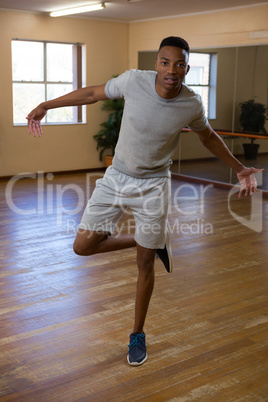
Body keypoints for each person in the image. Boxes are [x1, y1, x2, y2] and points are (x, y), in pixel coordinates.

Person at [27, 36, 263, 366]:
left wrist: (238, 169)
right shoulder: (133, 81)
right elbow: (93, 93)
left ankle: (137, 332)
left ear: (186, 68)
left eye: (178, 64)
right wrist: (46, 105)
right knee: (82, 246)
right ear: (156, 64)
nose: (171, 69)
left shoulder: (191, 104)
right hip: (116, 178)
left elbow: (208, 136)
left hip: (154, 186)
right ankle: (149, 243)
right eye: (165, 62)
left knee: (145, 264)